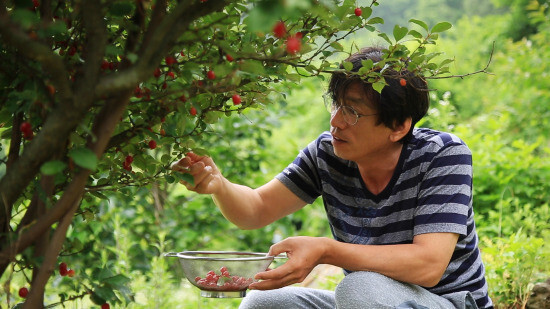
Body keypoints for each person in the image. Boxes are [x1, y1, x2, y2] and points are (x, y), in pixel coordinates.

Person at [171, 46, 493, 309]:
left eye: (352, 111)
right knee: (262, 303)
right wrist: (218, 185)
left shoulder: (443, 155)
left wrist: (326, 250)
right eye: (336, 104)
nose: (335, 121)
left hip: (447, 302)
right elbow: (256, 208)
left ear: (398, 127)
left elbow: (428, 265)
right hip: (369, 301)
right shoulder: (328, 154)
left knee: (359, 289)